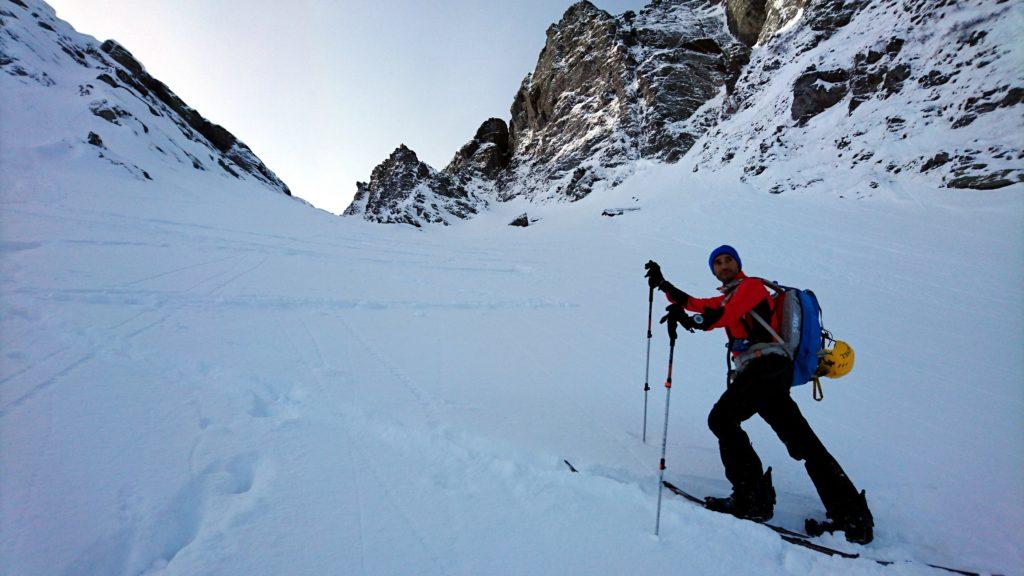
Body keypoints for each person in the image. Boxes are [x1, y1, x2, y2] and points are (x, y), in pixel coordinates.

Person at [644, 245, 874, 545]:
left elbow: (726, 315)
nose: (723, 266)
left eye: (728, 260)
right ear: (713, 270)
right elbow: (699, 304)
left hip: (766, 368)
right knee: (803, 443)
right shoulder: (730, 294)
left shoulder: (751, 287)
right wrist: (665, 286)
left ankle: (752, 500)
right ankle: (852, 517)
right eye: (717, 263)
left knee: (722, 420)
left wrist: (693, 321)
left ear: (738, 264)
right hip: (768, 374)